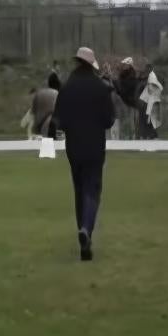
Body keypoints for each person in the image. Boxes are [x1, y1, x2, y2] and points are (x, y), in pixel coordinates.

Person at [54, 47, 116, 262]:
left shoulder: (67, 88)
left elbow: (58, 121)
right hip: (95, 147)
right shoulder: (101, 88)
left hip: (74, 148)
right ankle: (86, 230)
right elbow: (109, 120)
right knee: (93, 188)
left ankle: (83, 238)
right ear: (92, 65)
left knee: (79, 190)